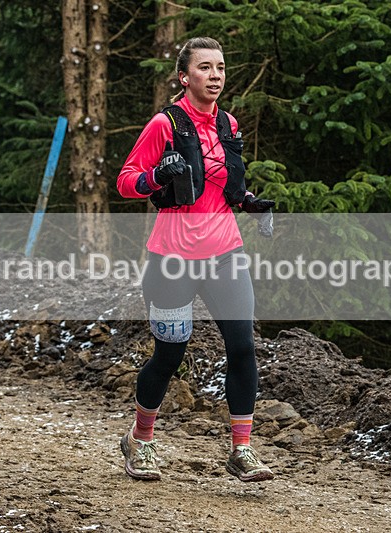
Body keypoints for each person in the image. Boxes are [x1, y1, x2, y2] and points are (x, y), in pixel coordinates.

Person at [116, 36, 276, 482]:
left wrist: (250, 203)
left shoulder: (228, 124)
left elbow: (221, 185)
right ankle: (140, 440)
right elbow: (125, 181)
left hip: (226, 254)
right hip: (172, 260)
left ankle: (242, 450)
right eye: (205, 68)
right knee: (171, 354)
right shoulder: (163, 124)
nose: (215, 76)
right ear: (184, 77)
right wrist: (154, 176)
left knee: (243, 347)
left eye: (221, 67)